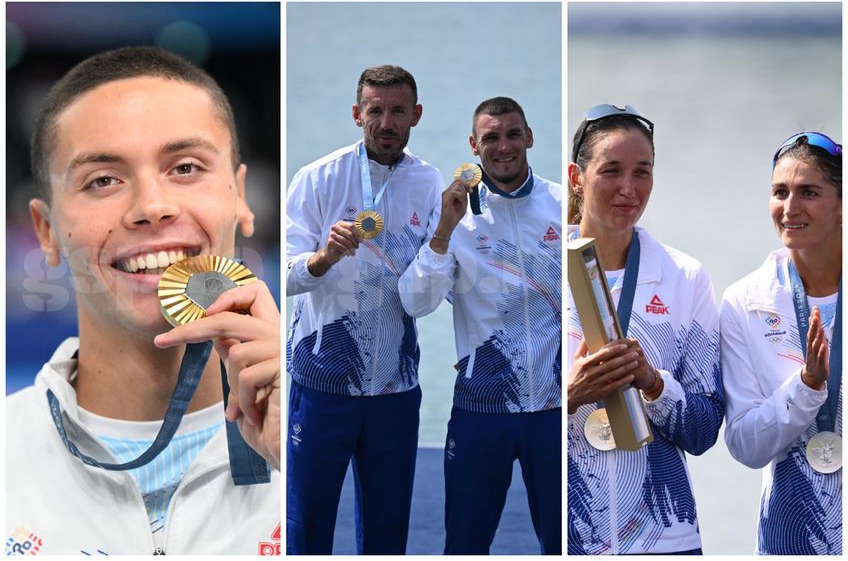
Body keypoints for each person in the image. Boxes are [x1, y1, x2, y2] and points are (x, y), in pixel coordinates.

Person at [6, 47, 281, 555]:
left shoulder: (317, 430)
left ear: (239, 197)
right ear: (46, 231)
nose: (152, 206)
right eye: (103, 180)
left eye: (186, 167)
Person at [285, 64, 442, 555]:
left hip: (396, 390)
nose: (386, 122)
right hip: (323, 385)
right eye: (376, 111)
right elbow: (283, 276)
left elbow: (430, 296)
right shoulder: (317, 179)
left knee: (387, 532)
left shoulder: (431, 184)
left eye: (398, 111)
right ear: (357, 114)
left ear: (416, 115)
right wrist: (323, 257)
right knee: (308, 528)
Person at [399, 97, 562, 555]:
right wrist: (444, 231)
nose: (503, 147)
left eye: (513, 134)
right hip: (481, 408)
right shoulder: (454, 215)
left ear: (529, 137)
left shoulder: (563, 206)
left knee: (564, 544)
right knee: (466, 545)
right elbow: (415, 302)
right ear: (474, 146)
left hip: (556, 409)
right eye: (491, 138)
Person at [565, 104, 725, 555]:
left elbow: (704, 429)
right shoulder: (545, 269)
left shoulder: (685, 276)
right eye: (611, 171)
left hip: (664, 537)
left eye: (643, 172)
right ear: (577, 177)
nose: (629, 190)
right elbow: (515, 411)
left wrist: (654, 385)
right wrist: (570, 394)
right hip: (570, 536)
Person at [720, 132, 842, 555]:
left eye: (809, 192)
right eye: (780, 192)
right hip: (791, 538)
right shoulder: (744, 302)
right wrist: (806, 387)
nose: (790, 209)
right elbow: (745, 445)